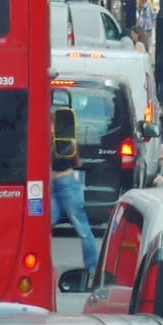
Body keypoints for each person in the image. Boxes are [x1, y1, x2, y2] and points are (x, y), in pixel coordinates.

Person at [48, 97, 98, 272]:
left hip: (66, 184)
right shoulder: (48, 140)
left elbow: (70, 162)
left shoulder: (64, 141)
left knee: (82, 228)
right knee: (45, 224)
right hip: (53, 186)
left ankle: (92, 267)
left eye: (50, 124)